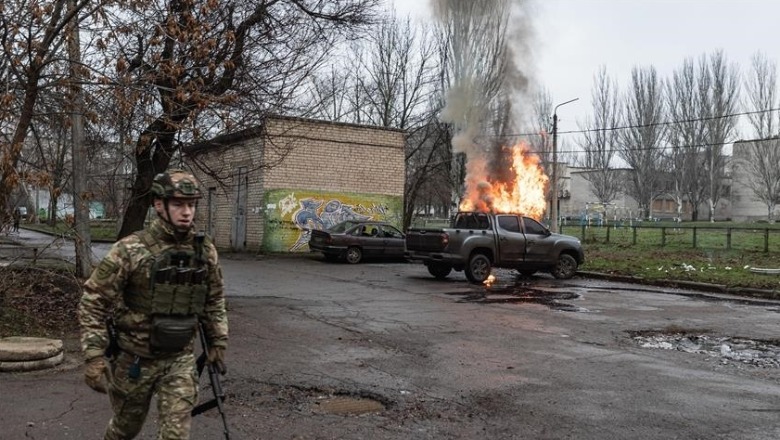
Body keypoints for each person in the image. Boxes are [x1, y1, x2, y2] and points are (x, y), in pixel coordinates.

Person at [78, 169, 228, 439]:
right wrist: (94, 355)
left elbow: (213, 299)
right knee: (125, 430)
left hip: (179, 360)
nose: (187, 212)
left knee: (175, 434)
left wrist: (218, 340)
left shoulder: (204, 251)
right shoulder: (131, 250)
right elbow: (93, 301)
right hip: (135, 360)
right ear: (159, 204)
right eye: (179, 204)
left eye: (191, 205)